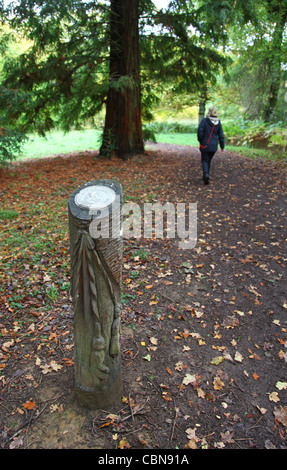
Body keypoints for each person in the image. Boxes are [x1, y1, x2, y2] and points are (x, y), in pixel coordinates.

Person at [197, 106, 225, 185]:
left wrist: (200, 140)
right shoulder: (218, 122)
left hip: (205, 144)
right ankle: (206, 175)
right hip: (214, 146)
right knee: (208, 160)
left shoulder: (204, 121)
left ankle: (206, 175)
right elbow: (221, 135)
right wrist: (222, 146)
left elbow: (200, 132)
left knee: (205, 160)